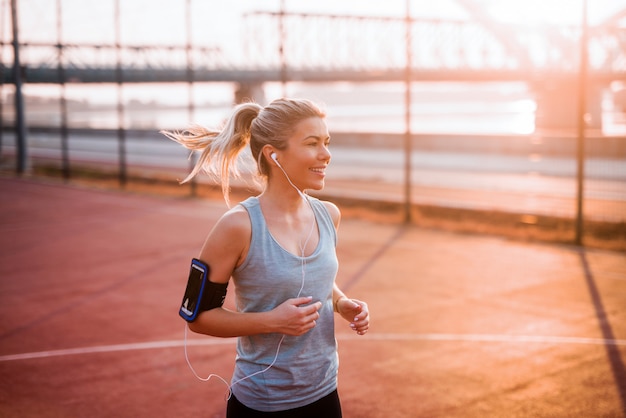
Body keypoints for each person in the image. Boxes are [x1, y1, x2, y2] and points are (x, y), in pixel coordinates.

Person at [162, 97, 370, 417]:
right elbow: (198, 317)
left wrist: (341, 303)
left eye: (327, 142)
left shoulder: (329, 214)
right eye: (312, 143)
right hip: (263, 403)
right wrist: (271, 321)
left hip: (325, 393)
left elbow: (315, 278)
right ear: (273, 154)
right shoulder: (237, 226)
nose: (326, 154)